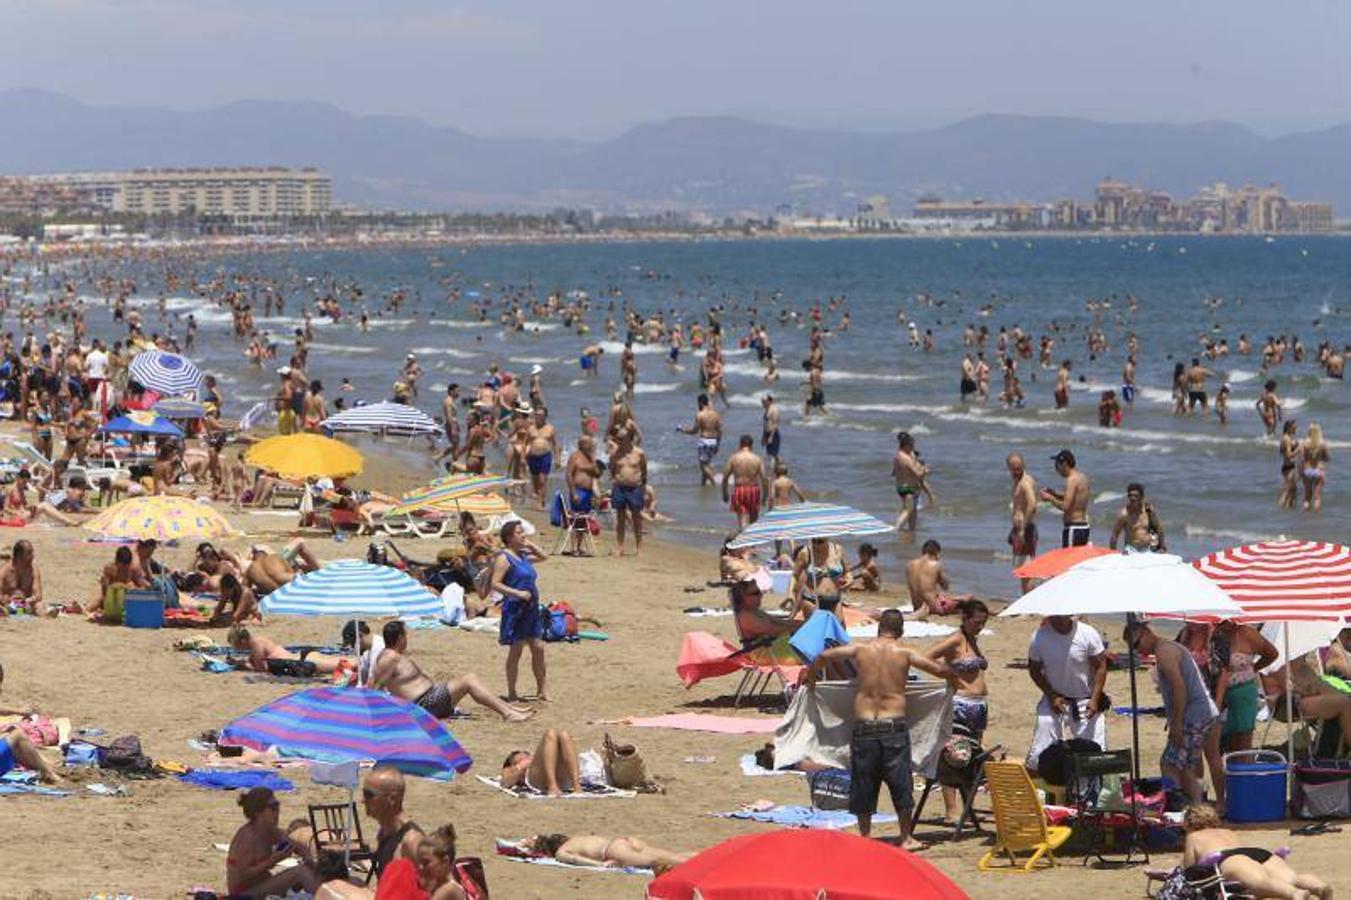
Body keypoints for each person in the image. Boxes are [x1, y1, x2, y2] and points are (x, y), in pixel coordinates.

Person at [807, 609, 953, 847]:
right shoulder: (905, 652)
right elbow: (941, 671)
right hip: (893, 726)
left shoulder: (860, 649)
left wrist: (812, 676)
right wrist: (953, 684)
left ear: (879, 628)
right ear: (900, 630)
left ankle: (865, 837)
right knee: (900, 783)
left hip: (864, 726)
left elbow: (823, 656)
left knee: (864, 782)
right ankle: (906, 838)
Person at [1124, 621, 1224, 810]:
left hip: (1194, 716)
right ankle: (1195, 807)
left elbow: (1180, 688)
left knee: (1170, 764)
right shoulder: (1169, 648)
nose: (1138, 651)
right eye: (1133, 649)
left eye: (1137, 644)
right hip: (1201, 713)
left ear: (1146, 632)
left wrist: (1176, 725)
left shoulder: (1164, 652)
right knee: (1186, 766)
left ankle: (1179, 807)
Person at [370, 620, 532, 722]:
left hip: (431, 698)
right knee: (469, 680)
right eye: (406, 635)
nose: (407, 639)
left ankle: (509, 708)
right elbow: (375, 688)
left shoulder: (394, 655)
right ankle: (507, 713)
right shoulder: (389, 658)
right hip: (424, 705)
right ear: (400, 638)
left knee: (470, 678)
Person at [1181, 803, 1331, 900]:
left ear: (1188, 823)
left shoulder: (1193, 836)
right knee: (1292, 878)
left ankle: (1294, 894)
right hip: (1255, 853)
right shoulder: (1228, 831)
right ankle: (1319, 887)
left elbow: (1189, 870)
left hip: (1230, 858)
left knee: (1260, 882)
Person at [926, 600, 990, 823]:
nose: (979, 627)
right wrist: (949, 675)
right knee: (952, 754)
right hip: (960, 703)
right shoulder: (955, 639)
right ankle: (950, 810)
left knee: (971, 756)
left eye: (983, 623)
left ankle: (967, 809)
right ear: (964, 618)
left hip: (978, 705)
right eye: (976, 622)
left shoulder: (973, 639)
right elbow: (927, 657)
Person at [1026, 615, 1108, 770]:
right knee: (1041, 749)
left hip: (1086, 699)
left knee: (1094, 753)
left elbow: (1101, 666)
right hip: (1055, 699)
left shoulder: (1087, 633)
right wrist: (1051, 695)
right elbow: (1034, 670)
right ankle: (1043, 783)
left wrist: (1095, 698)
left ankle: (1091, 788)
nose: (1058, 619)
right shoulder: (1040, 637)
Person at [489, 520, 549, 702]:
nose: (523, 535)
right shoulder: (504, 558)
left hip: (531, 608)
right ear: (509, 537)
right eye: (519, 533)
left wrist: (529, 544)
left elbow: (544, 556)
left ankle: (542, 690)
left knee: (538, 648)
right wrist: (517, 593)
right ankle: (512, 692)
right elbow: (495, 583)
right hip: (515, 609)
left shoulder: (522, 555)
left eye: (523, 532)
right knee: (516, 651)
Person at [225, 787, 319, 897]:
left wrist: (310, 861)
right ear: (258, 812)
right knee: (299, 873)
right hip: (243, 893)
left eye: (278, 806)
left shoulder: (272, 831)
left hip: (263, 885)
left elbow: (299, 848)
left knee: (309, 872)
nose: (277, 811)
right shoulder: (246, 837)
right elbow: (244, 875)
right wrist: (273, 860)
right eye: (273, 807)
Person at [1207, 619, 1278, 752]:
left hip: (1242, 690)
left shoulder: (1247, 633)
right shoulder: (1212, 633)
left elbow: (1272, 654)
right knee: (1217, 741)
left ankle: (1243, 769)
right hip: (1216, 691)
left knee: (1242, 741)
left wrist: (1254, 668)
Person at [527, 833, 692, 873]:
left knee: (660, 861)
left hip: (612, 851)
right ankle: (709, 856)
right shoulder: (576, 838)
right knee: (674, 855)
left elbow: (575, 860)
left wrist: (600, 864)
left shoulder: (561, 852)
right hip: (623, 840)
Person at [226, 625, 347, 676]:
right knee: (341, 661)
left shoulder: (256, 645)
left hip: (298, 662)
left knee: (342, 665)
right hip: (298, 658)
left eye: (235, 645)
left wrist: (242, 665)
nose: (235, 648)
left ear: (242, 641)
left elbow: (262, 669)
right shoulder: (258, 640)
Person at [501, 729, 583, 796]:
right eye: (518, 760)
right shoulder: (510, 768)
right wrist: (520, 767)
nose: (524, 758)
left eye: (526, 756)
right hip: (538, 781)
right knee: (550, 734)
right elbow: (504, 783)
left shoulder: (541, 757)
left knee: (564, 735)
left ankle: (576, 785)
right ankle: (552, 785)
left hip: (564, 778)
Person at [609, 425, 647, 556]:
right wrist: (615, 481)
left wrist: (643, 486)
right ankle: (620, 547)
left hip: (635, 487)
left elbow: (644, 470)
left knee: (637, 518)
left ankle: (639, 547)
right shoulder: (615, 454)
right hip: (619, 487)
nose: (618, 440)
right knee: (620, 518)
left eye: (621, 438)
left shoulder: (639, 453)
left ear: (629, 438)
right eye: (618, 438)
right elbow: (612, 470)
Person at [904, 540, 969, 620]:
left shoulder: (909, 565)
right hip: (932, 608)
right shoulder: (935, 565)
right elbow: (945, 586)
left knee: (942, 596)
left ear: (923, 551)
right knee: (969, 598)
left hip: (916, 606)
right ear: (937, 552)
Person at [1040, 448, 1090, 547]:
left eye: (1057, 465)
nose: (1056, 470)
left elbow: (1065, 507)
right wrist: (1054, 494)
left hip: (1073, 528)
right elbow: (1075, 498)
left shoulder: (1071, 480)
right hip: (1084, 526)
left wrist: (1049, 498)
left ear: (1065, 464)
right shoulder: (1083, 477)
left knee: (1070, 559)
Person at [791, 537, 852, 617]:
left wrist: (849, 580)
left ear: (827, 538)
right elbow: (795, 576)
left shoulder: (838, 550)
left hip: (834, 599)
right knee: (817, 627)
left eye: (820, 542)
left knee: (838, 627)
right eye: (813, 541)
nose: (816, 545)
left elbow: (847, 572)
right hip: (812, 600)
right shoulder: (806, 552)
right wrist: (790, 594)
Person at [563, 435, 601, 556]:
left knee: (584, 520)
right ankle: (574, 547)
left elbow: (597, 474)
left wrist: (594, 459)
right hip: (578, 491)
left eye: (591, 443)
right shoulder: (575, 456)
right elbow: (569, 474)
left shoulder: (590, 457)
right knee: (576, 519)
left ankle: (579, 546)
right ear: (582, 444)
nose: (591, 445)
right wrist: (573, 492)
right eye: (589, 443)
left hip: (588, 492)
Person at [1007, 453, 1038, 594]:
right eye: (1013, 469)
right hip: (1019, 529)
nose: (1016, 471)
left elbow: (1032, 505)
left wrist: (1022, 529)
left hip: (1025, 530)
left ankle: (1028, 608)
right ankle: (1027, 601)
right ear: (1009, 468)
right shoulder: (1017, 481)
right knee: (1022, 569)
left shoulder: (1025, 482)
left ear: (1024, 465)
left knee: (1026, 570)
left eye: (1019, 468)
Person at [731, 576, 796, 644]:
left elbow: (782, 622)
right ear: (743, 596)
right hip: (760, 652)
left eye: (759, 592)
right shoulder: (745, 616)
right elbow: (775, 630)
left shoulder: (754, 611)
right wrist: (798, 625)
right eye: (756, 593)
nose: (761, 595)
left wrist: (800, 623)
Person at [721, 435, 768, 529]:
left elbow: (725, 477)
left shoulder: (734, 458)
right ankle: (751, 542)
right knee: (754, 520)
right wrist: (764, 497)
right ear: (751, 445)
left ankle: (744, 540)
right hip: (754, 490)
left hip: (740, 489)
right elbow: (764, 479)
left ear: (740, 445)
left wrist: (725, 493)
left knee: (742, 519)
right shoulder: (757, 459)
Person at [245, 539, 319, 595]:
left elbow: (247, 588)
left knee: (299, 564)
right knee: (300, 542)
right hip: (292, 579)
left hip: (274, 590)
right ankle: (320, 572)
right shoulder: (273, 557)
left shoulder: (251, 567)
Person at [679, 393, 722, 486]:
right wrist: (718, 444)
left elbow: (694, 431)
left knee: (703, 466)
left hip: (704, 441)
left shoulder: (700, 415)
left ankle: (714, 484)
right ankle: (703, 485)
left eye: (698, 403)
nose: (697, 405)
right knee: (706, 464)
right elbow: (720, 431)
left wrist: (683, 430)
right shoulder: (716, 414)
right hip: (714, 441)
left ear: (701, 403)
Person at [891, 432, 930, 533]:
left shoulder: (897, 456)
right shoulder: (906, 458)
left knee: (912, 511)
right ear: (906, 445)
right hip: (909, 488)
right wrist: (924, 470)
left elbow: (894, 473)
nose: (913, 448)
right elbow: (918, 474)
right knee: (908, 511)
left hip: (901, 487)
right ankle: (895, 530)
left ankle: (911, 531)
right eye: (911, 445)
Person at [415, 825, 467, 900]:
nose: (420, 867)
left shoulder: (449, 889)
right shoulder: (435, 886)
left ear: (445, 862)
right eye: (419, 862)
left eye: (426, 862)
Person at [1110, 482, 1165, 552]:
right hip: (1131, 549)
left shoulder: (1148, 510)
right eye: (1130, 496)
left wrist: (1162, 546)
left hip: (1148, 548)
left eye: (1136, 496)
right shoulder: (1124, 514)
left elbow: (1158, 528)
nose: (1133, 498)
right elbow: (1114, 535)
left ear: (1142, 497)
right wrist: (1113, 553)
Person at [525, 407, 558, 510]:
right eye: (537, 415)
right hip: (532, 456)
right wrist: (523, 457)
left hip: (545, 456)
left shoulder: (550, 428)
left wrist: (558, 459)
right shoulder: (531, 428)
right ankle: (537, 496)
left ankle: (541, 501)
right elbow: (525, 443)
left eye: (541, 415)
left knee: (542, 480)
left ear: (545, 416)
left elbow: (555, 444)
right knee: (535, 480)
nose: (539, 417)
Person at [0, 540, 43, 615]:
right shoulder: (4, 571)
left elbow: (38, 595)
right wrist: (5, 600)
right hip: (8, 605)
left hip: (27, 604)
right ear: (19, 555)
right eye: (29, 553)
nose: (32, 556)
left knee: (40, 606)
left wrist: (25, 601)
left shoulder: (33, 570)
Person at [1301, 422, 1329, 511]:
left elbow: (1302, 459)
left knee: (1307, 497)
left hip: (1307, 470)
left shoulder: (1305, 443)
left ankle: (1306, 518)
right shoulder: (1323, 443)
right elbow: (1327, 458)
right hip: (1319, 470)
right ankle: (1316, 520)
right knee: (1317, 497)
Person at [1279, 419, 1301, 509]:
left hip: (1287, 467)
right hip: (1289, 468)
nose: (1296, 428)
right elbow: (1289, 456)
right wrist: (1298, 449)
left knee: (1293, 491)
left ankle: (1289, 511)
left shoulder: (1285, 437)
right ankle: (1279, 510)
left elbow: (1282, 452)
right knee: (1287, 492)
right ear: (1289, 427)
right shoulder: (1287, 439)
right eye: (1294, 427)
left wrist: (1294, 446)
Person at [761, 393, 781, 462]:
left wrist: (771, 437)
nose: (762, 403)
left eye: (764, 401)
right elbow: (765, 424)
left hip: (773, 434)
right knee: (769, 454)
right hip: (767, 433)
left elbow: (775, 424)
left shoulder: (774, 409)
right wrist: (763, 436)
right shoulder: (767, 409)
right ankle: (775, 468)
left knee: (774, 454)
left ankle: (779, 468)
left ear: (769, 401)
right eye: (762, 401)